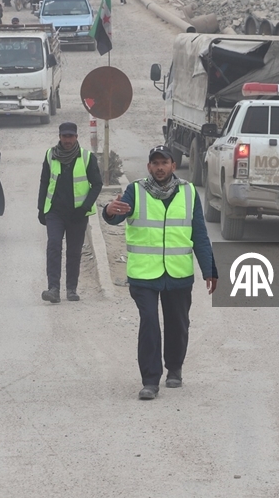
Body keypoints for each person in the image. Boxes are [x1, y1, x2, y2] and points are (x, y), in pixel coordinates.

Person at [103, 145, 218, 400]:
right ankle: (150, 381)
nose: (159, 167)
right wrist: (109, 211)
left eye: (164, 163)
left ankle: (174, 368)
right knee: (150, 323)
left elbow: (199, 234)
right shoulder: (136, 190)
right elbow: (118, 214)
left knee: (178, 323)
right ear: (149, 167)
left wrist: (209, 269)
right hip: (144, 274)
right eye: (155, 163)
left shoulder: (188, 192)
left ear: (173, 166)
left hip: (177, 273)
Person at [37, 122, 103, 303]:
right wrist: (41, 208)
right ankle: (53, 289)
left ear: (76, 137)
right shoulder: (50, 155)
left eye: (70, 136)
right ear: (59, 137)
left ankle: (71, 289)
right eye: (64, 136)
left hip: (77, 214)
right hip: (55, 212)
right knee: (54, 246)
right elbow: (44, 182)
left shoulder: (87, 157)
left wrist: (84, 207)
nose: (67, 140)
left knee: (74, 251)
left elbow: (97, 184)